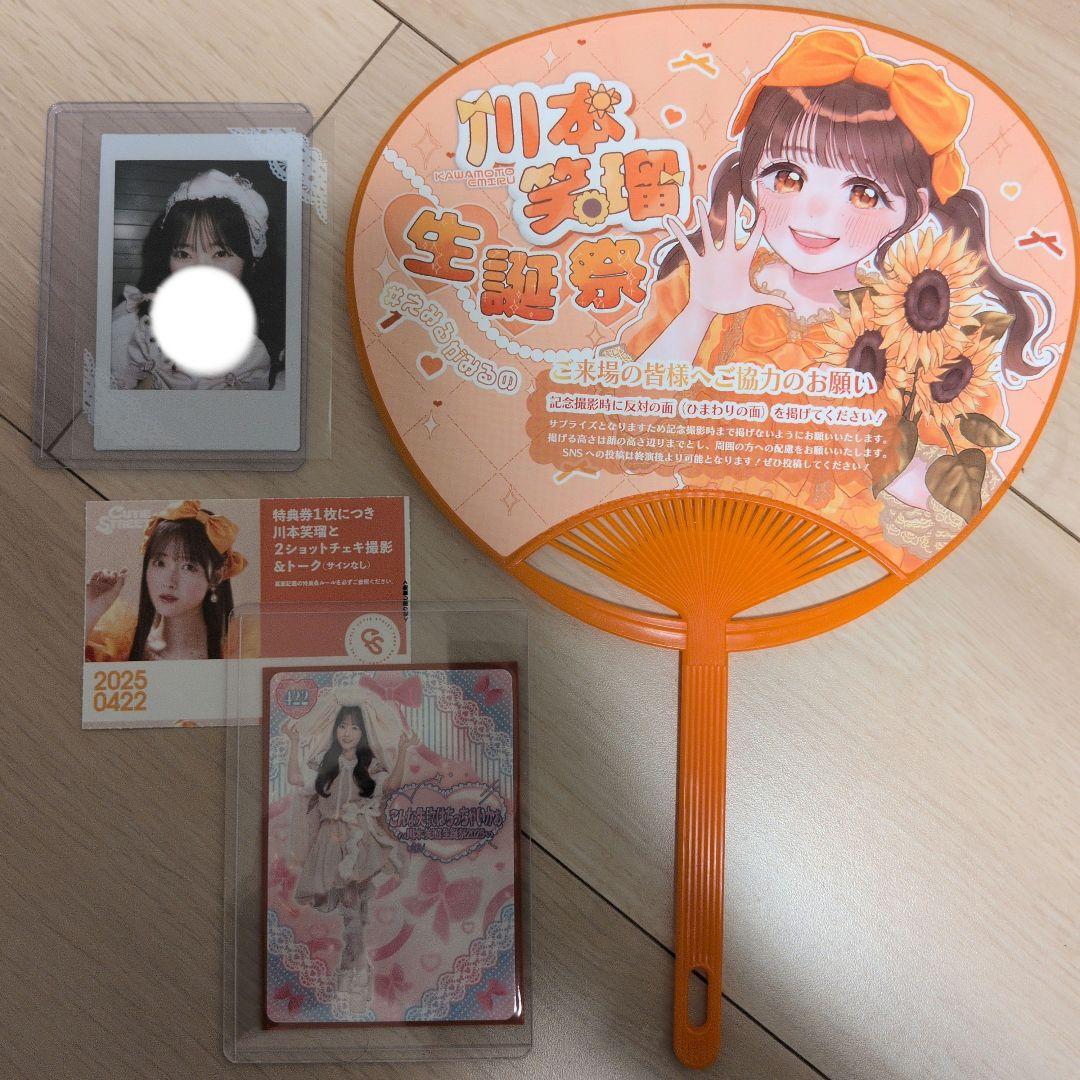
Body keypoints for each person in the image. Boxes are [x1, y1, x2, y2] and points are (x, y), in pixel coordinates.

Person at [284, 692, 419, 1008]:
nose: (347, 733)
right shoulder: (325, 763)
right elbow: (296, 779)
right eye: (342, 726)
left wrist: (402, 751)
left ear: (363, 732)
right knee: (352, 909)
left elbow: (392, 786)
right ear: (335, 730)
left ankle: (354, 974)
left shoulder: (368, 765)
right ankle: (355, 972)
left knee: (358, 907)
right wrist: (293, 742)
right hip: (330, 843)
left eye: (354, 727)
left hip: (359, 841)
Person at [110, 169, 284, 390]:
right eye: (183, 254)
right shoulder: (134, 328)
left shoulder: (256, 355)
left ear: (250, 262)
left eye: (220, 253)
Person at [84, 501, 247, 662]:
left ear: (216, 577)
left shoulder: (240, 656)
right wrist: (92, 608)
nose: (169, 582)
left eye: (188, 567)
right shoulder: (117, 648)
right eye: (160, 563)